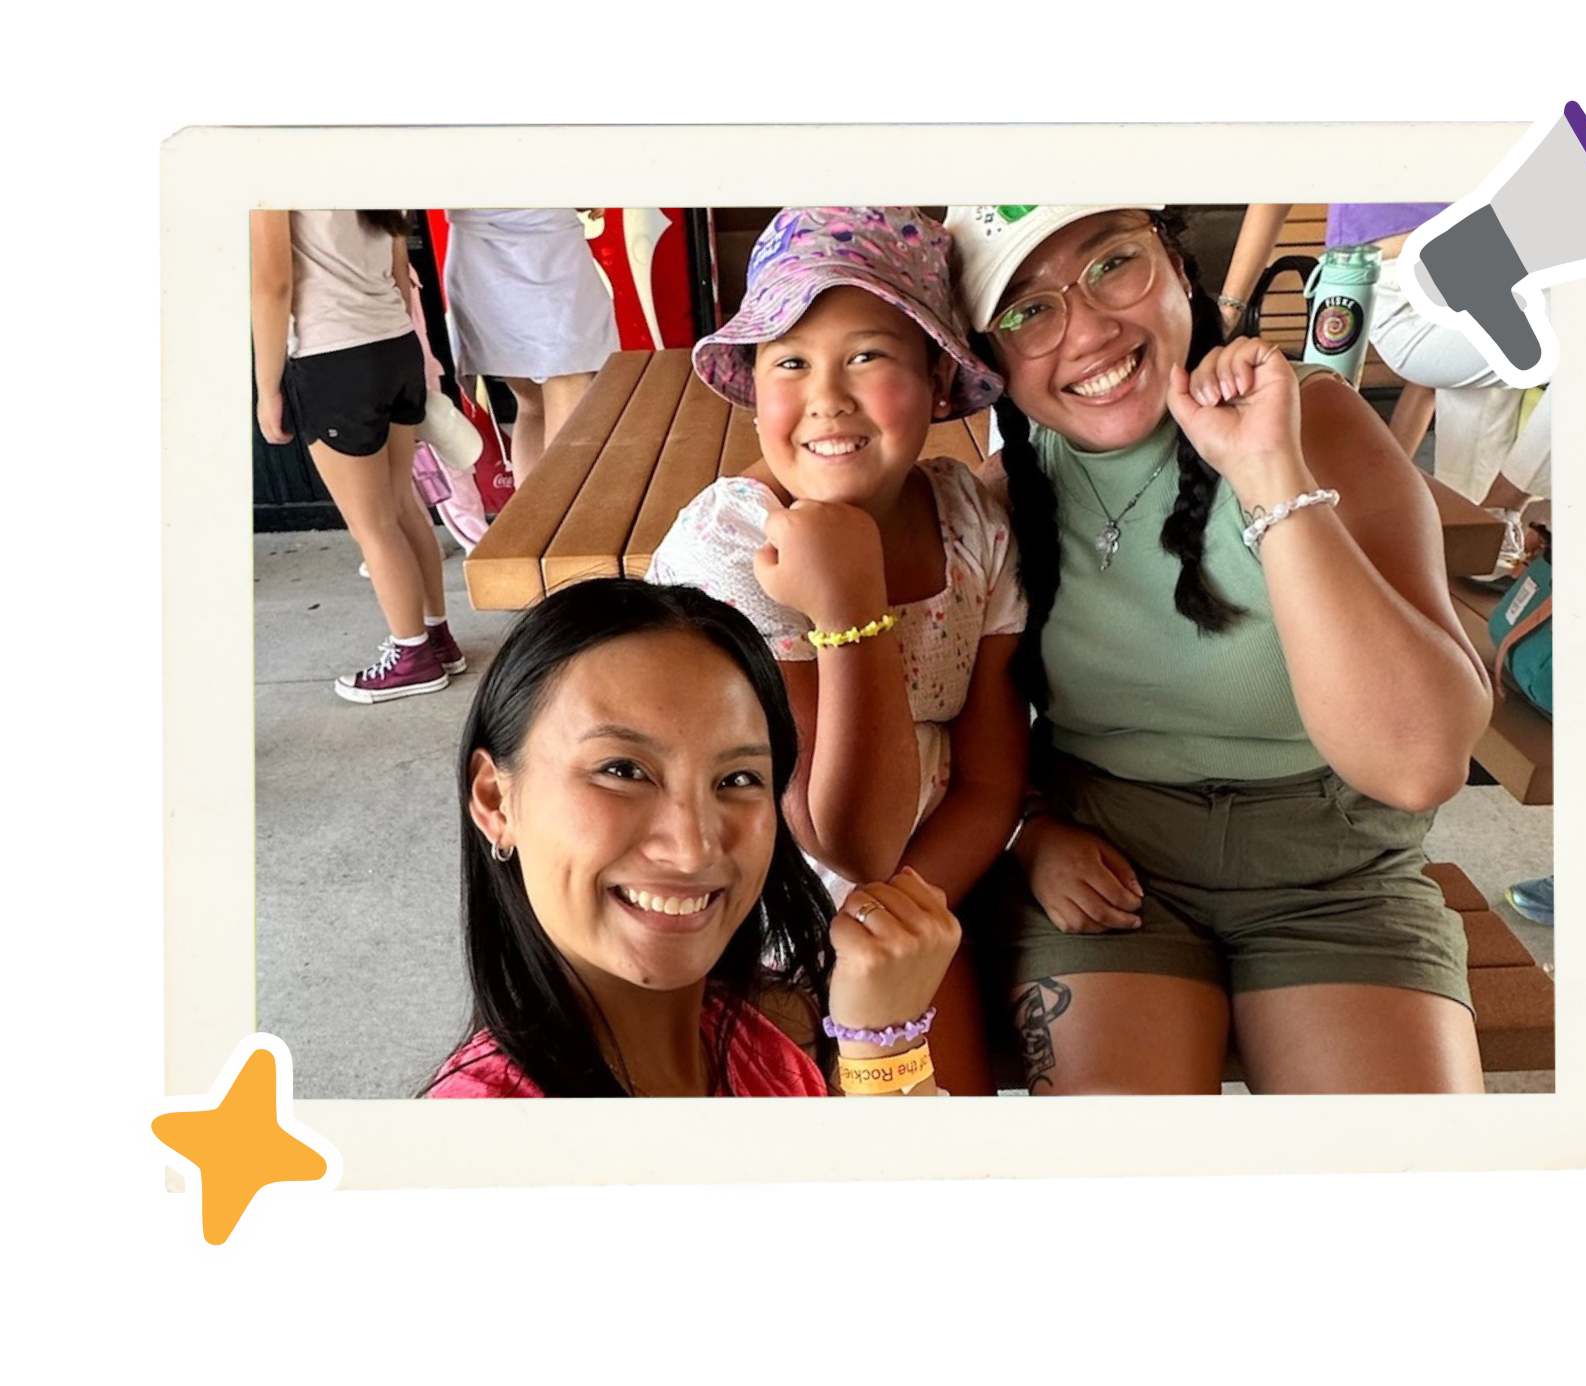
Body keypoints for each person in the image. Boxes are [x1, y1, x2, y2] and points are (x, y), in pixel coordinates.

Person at [945, 204, 1495, 1095]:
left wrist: (1266, 473)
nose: (1086, 328)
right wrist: (1028, 831)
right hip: (1107, 865)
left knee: (1417, 1173)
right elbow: (963, 729)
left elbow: (1418, 764)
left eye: (1111, 264)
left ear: (1175, 263)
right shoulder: (1006, 493)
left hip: (1338, 871)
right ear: (989, 357)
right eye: (1028, 310)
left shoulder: (1314, 421)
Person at [646, 208, 1029, 1096]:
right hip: (745, 902)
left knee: (944, 1105)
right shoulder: (730, 552)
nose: (826, 396)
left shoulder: (971, 526)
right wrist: (849, 606)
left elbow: (989, 784)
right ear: (754, 389)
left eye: (867, 356)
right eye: (790, 362)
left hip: (921, 881)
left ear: (939, 380)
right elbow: (847, 839)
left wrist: (903, 915)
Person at [426, 578, 960, 1098]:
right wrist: (885, 1056)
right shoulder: (474, 1138)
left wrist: (884, 1042)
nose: (692, 849)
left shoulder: (771, 1029)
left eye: (738, 779)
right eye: (622, 771)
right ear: (495, 800)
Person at [1219, 204, 1551, 577]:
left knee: (1469, 548)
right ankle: (1495, 512)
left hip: (1481, 266)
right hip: (1392, 275)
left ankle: (1474, 541)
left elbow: (1426, 387)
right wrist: (1227, 311)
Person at [252, 209, 468, 703]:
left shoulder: (272, 177)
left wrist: (267, 388)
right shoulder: (370, 168)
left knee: (373, 525)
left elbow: (272, 284)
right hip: (394, 342)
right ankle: (437, 639)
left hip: (332, 355)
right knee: (401, 506)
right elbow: (398, 267)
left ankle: (412, 657)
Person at [443, 209, 620, 486]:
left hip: (478, 260)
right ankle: (564, 513)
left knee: (531, 406)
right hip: (549, 257)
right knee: (571, 402)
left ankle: (536, 513)